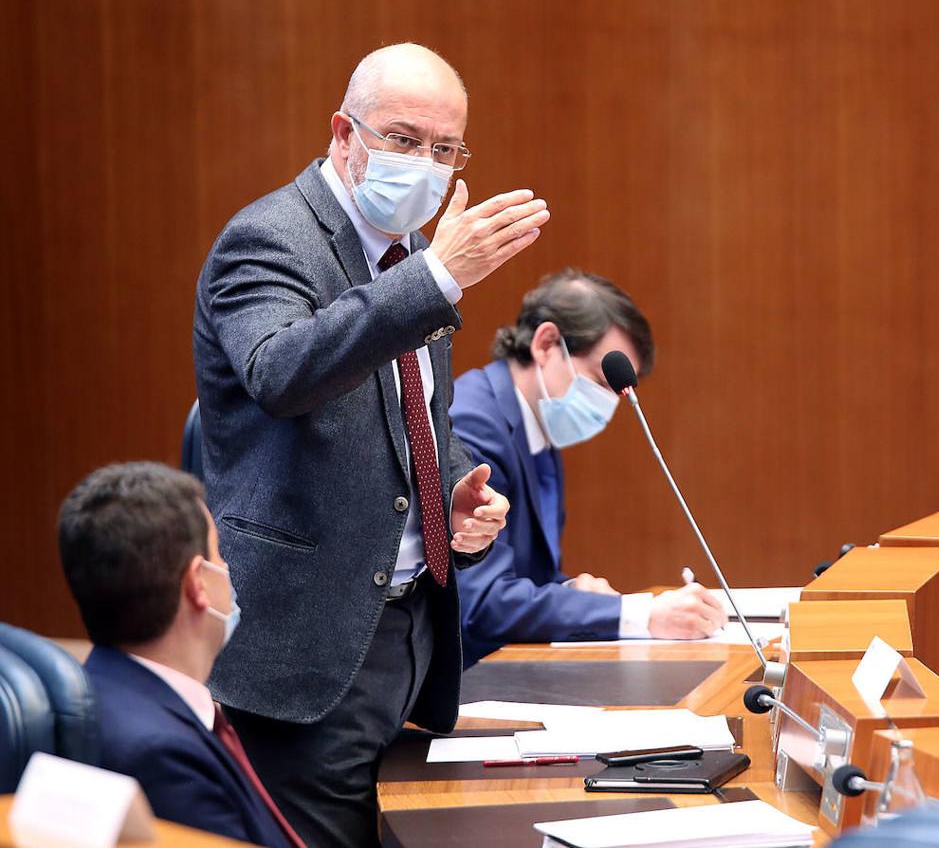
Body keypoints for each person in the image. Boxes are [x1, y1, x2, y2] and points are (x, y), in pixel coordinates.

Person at [193, 43, 548, 846]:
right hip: (309, 647)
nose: (424, 163)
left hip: (408, 635)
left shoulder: (414, 254)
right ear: (342, 134)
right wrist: (434, 284)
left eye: (444, 148)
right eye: (401, 138)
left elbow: (412, 412)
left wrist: (450, 487)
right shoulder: (270, 239)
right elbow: (280, 374)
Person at [451, 270, 727, 664]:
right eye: (600, 380)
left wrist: (572, 592)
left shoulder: (538, 427)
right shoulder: (472, 424)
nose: (608, 404)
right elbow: (482, 603)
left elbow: (526, 578)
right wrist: (639, 615)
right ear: (546, 344)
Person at [59, 462, 302, 847]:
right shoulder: (161, 757)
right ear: (197, 584)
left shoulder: (95, 691)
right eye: (219, 555)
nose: (226, 568)